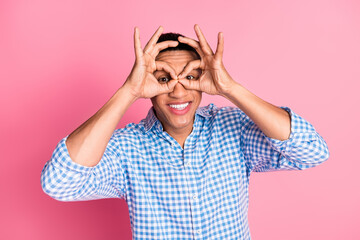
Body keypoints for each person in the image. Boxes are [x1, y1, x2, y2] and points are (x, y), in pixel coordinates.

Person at [41, 24, 330, 239]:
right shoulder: (126, 148)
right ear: (148, 86)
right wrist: (128, 91)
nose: (178, 91)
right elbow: (59, 184)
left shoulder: (233, 129)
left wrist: (229, 88)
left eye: (190, 77)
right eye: (164, 79)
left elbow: (312, 152)